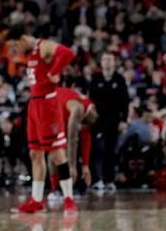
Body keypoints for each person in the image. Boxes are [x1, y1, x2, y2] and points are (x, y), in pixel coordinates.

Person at [6, 25, 78, 213]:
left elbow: (67, 53)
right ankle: (36, 200)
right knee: (35, 153)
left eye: (15, 45)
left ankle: (69, 199)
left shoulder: (43, 46)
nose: (15, 50)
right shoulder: (30, 52)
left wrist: (54, 71)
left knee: (57, 154)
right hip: (34, 105)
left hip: (48, 105)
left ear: (23, 39)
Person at [47, 87, 98, 201]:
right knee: (54, 153)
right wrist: (72, 166)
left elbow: (86, 139)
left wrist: (85, 165)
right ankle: (55, 188)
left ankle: (73, 185)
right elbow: (72, 139)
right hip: (51, 112)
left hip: (63, 113)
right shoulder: (78, 110)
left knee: (70, 154)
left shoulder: (89, 109)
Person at [89, 52, 129, 192]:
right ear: (101, 62)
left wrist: (123, 120)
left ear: (114, 62)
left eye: (110, 59)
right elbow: (90, 100)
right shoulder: (96, 79)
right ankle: (96, 179)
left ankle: (109, 180)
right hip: (97, 120)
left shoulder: (119, 79)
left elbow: (125, 101)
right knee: (96, 149)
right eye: (104, 59)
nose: (107, 62)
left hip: (113, 120)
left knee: (110, 150)